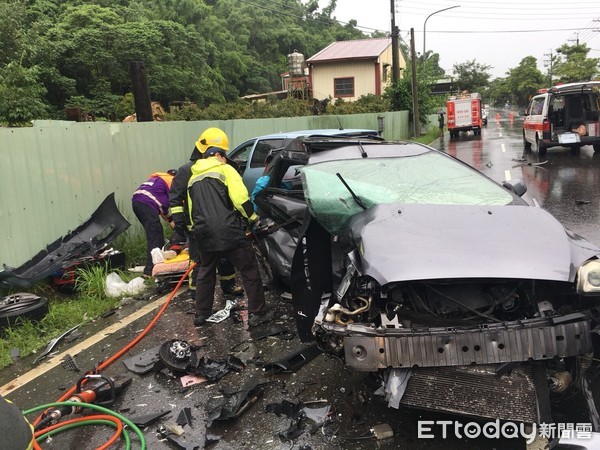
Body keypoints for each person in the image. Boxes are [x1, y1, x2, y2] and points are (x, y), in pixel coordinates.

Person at [187, 127, 271, 327]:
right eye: (224, 155)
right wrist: (253, 218)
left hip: (203, 233)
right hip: (228, 231)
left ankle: (201, 314)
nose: (225, 158)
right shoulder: (226, 170)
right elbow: (240, 199)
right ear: (217, 154)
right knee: (249, 268)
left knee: (206, 271)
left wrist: (195, 232)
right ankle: (258, 313)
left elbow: (192, 211)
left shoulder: (193, 179)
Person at [169, 129, 243, 297]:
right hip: (196, 226)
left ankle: (228, 285)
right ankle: (196, 292)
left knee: (225, 255)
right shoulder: (187, 170)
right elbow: (175, 199)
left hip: (219, 221)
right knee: (199, 260)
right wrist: (180, 225)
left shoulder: (222, 168)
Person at [132, 169, 177, 276]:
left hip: (137, 203)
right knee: (155, 236)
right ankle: (149, 271)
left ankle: (155, 265)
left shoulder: (158, 181)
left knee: (156, 232)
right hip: (147, 204)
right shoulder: (171, 181)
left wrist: (173, 223)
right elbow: (177, 200)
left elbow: (165, 212)